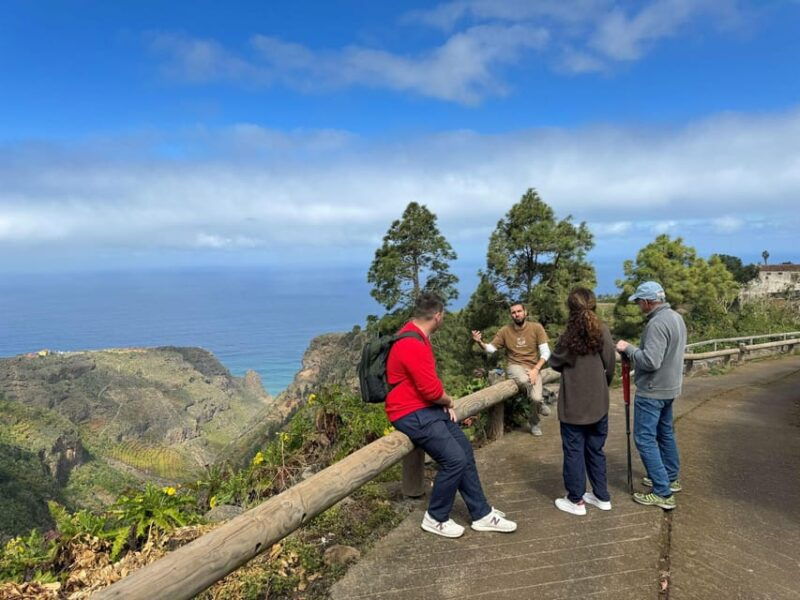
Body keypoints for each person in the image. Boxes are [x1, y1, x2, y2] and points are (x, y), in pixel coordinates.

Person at [387, 292, 517, 538]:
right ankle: (435, 517)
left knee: (464, 451)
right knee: (454, 459)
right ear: (437, 316)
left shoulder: (417, 336)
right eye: (443, 315)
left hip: (425, 408)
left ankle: (481, 513)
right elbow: (430, 389)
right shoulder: (412, 343)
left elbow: (427, 385)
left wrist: (440, 403)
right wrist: (449, 401)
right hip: (410, 413)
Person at [616, 281, 687, 510]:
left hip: (653, 390)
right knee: (665, 433)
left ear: (647, 302)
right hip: (670, 387)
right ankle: (670, 477)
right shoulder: (676, 318)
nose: (638, 305)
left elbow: (650, 361)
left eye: (638, 302)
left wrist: (628, 348)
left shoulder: (656, 324)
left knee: (644, 439)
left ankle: (662, 492)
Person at [548, 288, 616, 516]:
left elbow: (554, 363)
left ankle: (576, 499)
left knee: (574, 451)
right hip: (599, 402)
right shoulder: (603, 331)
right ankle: (601, 496)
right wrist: (601, 385)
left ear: (571, 308)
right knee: (596, 450)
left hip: (573, 405)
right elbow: (610, 364)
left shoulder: (569, 337)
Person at [471, 302, 552, 436]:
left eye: (519, 311)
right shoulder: (505, 331)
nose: (517, 314)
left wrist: (536, 369)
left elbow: (545, 352)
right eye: (513, 312)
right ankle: (540, 409)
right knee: (523, 379)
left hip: (533, 367)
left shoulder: (536, 328)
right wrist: (480, 342)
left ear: (525, 312)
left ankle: (535, 419)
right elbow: (491, 349)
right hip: (515, 366)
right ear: (511, 315)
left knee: (536, 398)